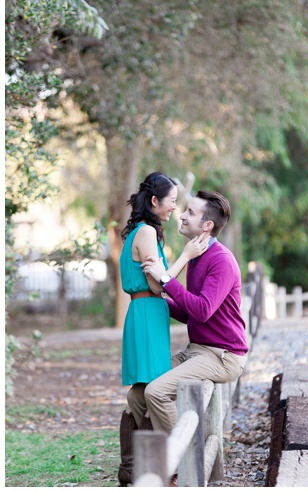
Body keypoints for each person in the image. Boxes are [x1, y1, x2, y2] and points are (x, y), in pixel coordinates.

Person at [132, 189, 248, 439]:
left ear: (207, 225)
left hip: (222, 356)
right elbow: (189, 313)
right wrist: (156, 300)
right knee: (138, 392)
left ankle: (182, 464)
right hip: (195, 350)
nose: (181, 216)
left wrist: (165, 278)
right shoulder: (196, 257)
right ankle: (140, 463)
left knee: (157, 392)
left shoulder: (221, 260)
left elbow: (202, 311)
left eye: (190, 212)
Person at [117, 171, 209, 486]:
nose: (174, 208)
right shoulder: (144, 233)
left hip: (150, 313)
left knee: (146, 389)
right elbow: (158, 285)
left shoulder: (146, 233)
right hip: (146, 312)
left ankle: (138, 467)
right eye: (171, 201)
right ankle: (160, 466)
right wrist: (186, 256)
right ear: (155, 201)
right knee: (150, 387)